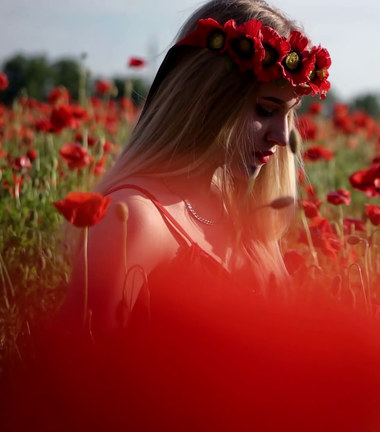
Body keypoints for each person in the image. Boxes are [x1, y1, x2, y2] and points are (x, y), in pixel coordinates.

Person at [56, 0, 332, 336]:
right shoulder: (131, 219)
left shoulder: (248, 213)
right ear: (206, 99)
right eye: (264, 110)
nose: (281, 136)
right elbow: (77, 374)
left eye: (288, 113)